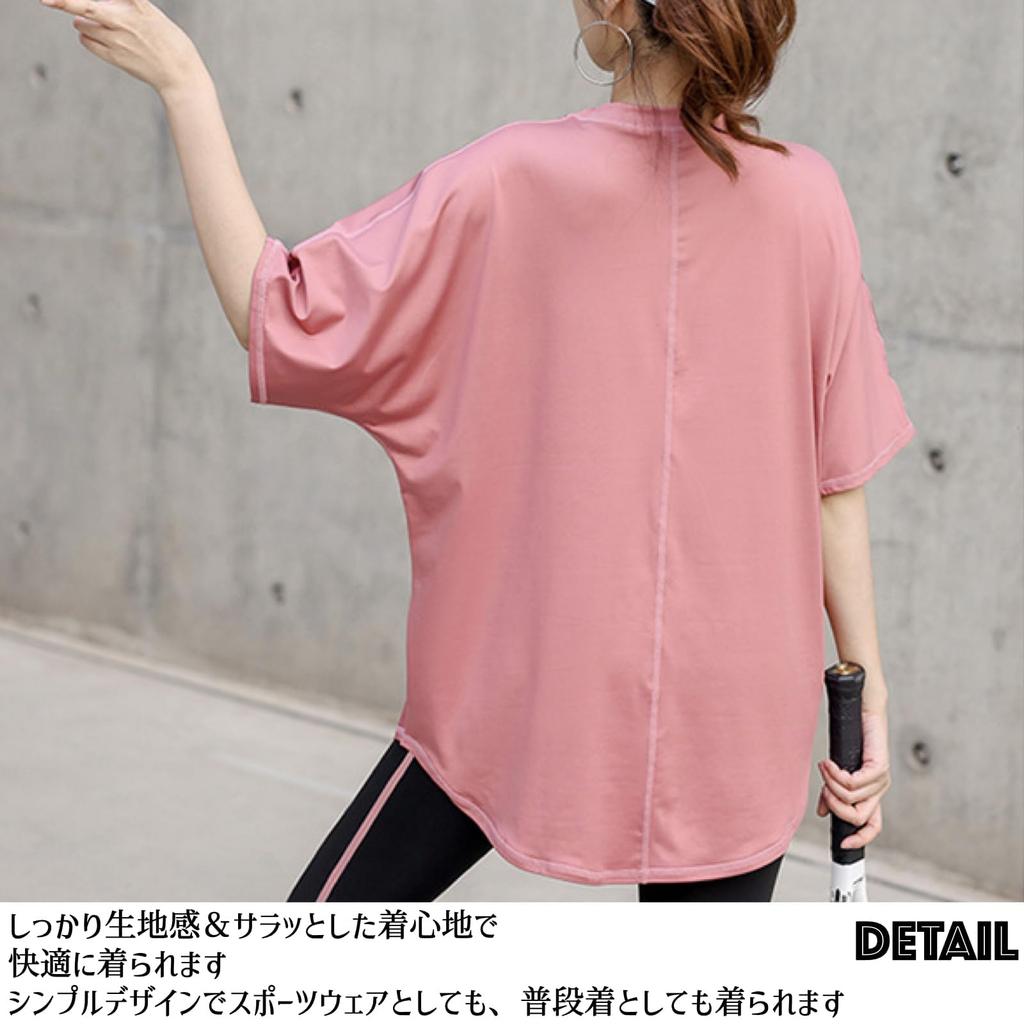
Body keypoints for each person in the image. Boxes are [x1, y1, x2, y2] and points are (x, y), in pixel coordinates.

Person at [42, 0, 914, 902]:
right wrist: (872, 695)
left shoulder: (511, 177)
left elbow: (280, 310)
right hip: (738, 713)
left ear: (618, 9)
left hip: (526, 682)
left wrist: (184, 80)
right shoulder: (808, 197)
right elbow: (835, 479)